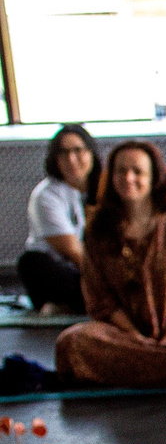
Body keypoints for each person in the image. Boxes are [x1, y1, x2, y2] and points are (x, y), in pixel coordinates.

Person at [54, 141, 166, 389]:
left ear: (154, 177)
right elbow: (99, 296)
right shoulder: (98, 228)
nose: (128, 178)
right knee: (70, 343)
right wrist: (136, 338)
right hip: (124, 334)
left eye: (137, 171)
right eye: (120, 171)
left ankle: (130, 371)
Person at [19, 123, 98, 314]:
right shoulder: (45, 195)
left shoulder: (105, 187)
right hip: (67, 268)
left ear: (91, 153)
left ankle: (72, 305)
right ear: (55, 159)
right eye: (64, 153)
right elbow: (74, 252)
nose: (72, 159)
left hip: (98, 265)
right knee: (31, 263)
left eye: (78, 150)